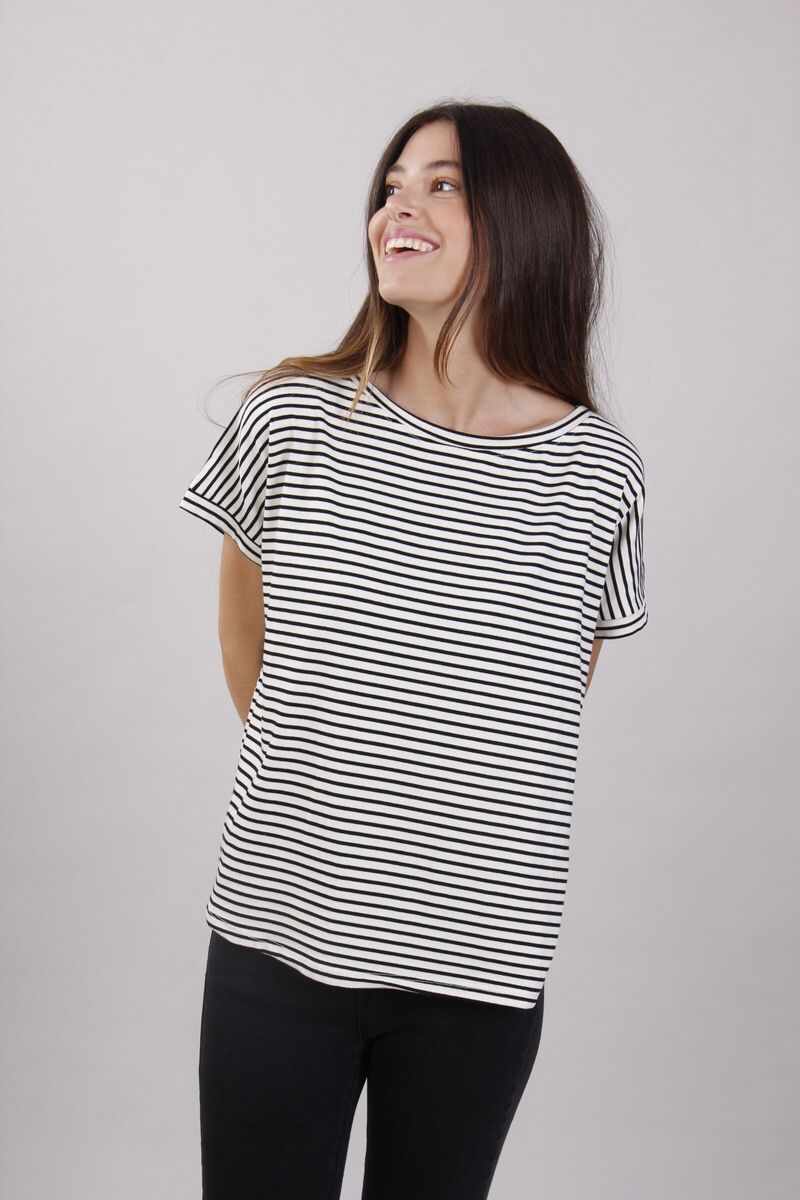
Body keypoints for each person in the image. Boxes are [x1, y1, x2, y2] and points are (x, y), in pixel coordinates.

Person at [179, 99, 649, 1200]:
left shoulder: (599, 473)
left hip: (480, 966)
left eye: (442, 184)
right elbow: (249, 638)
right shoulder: (291, 416)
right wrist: (337, 795)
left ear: (525, 220)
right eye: (391, 186)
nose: (399, 207)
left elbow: (545, 703)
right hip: (279, 933)